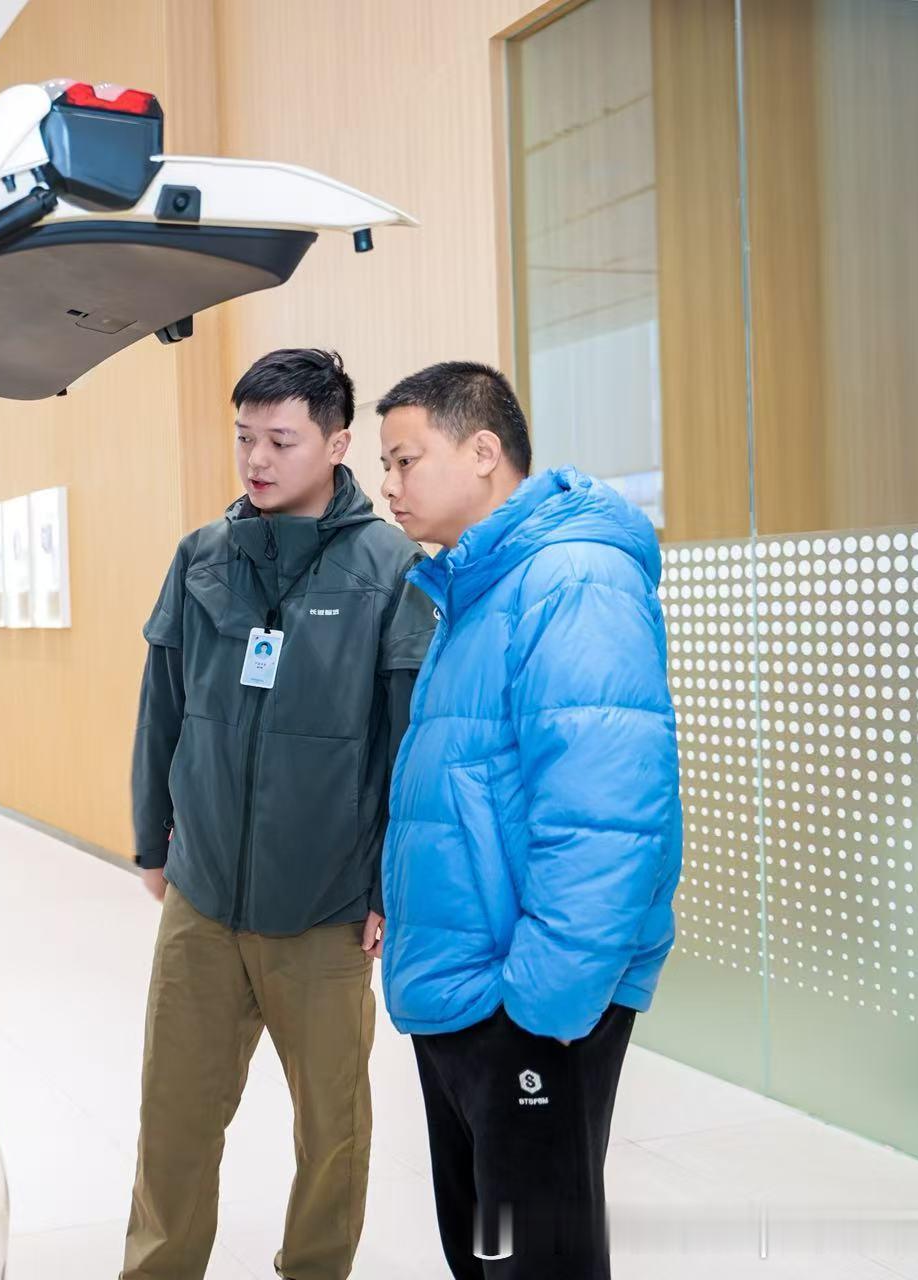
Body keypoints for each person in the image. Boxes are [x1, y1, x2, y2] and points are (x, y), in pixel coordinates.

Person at [124, 348, 435, 1280]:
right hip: (204, 895)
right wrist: (150, 840)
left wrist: (386, 886)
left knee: (332, 1130)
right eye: (245, 438)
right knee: (173, 1117)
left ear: (337, 444)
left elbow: (405, 744)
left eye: (281, 440)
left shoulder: (390, 568)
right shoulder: (202, 557)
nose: (257, 459)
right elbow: (161, 708)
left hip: (325, 905)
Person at [373, 362, 682, 1279]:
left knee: (536, 1259)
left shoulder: (573, 579)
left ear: (482, 452)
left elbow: (607, 813)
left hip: (526, 1004)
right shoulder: (479, 585)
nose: (389, 485)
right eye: (385, 465)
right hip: (468, 987)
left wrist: (544, 1005)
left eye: (404, 459)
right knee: (487, 1247)